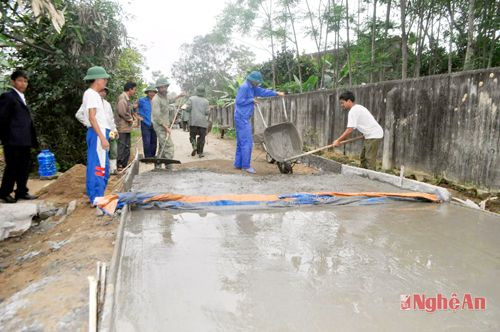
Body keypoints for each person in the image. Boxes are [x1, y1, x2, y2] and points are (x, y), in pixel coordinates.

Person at [234, 71, 285, 174]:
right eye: (258, 82)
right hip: (241, 118)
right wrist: (251, 100)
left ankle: (238, 164)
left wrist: (276, 93)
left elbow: (263, 92)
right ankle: (246, 166)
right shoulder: (244, 87)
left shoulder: (252, 88)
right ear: (253, 81)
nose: (258, 84)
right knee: (247, 142)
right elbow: (238, 101)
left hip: (242, 117)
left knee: (241, 142)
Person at [0, 70, 38, 203]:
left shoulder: (21, 97)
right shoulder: (8, 96)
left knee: (24, 167)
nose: (23, 84)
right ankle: (5, 192)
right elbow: (2, 119)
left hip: (24, 139)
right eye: (20, 81)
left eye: (25, 81)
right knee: (12, 167)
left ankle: (21, 191)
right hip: (12, 140)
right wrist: (5, 139)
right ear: (13, 81)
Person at [81, 66, 113, 205]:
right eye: (104, 79)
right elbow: (92, 118)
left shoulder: (91, 94)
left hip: (98, 132)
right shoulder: (92, 94)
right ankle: (97, 198)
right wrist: (102, 137)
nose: (106, 81)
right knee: (98, 166)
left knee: (101, 165)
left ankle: (97, 195)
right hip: (97, 133)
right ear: (98, 80)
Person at [332, 91, 384, 170]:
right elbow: (366, 121)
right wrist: (365, 133)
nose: (341, 105)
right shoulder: (358, 107)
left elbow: (350, 129)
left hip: (374, 135)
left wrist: (338, 140)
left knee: (369, 159)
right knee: (363, 158)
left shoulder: (353, 111)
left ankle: (371, 178)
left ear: (349, 101)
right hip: (369, 135)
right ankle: (363, 175)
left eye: (342, 103)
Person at [151, 78, 184, 169]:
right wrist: (166, 127)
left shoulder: (164, 96)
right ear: (158, 88)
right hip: (160, 126)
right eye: (161, 88)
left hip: (164, 125)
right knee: (169, 146)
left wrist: (179, 96)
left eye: (165, 87)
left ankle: (158, 165)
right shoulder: (156, 100)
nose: (164, 89)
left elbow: (170, 100)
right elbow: (157, 117)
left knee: (162, 145)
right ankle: (169, 165)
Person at [115, 81, 137, 170]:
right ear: (130, 89)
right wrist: (130, 119)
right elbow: (122, 111)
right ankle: (119, 164)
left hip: (126, 128)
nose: (135, 92)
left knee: (127, 146)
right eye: (134, 90)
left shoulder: (126, 99)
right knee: (122, 146)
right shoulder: (122, 98)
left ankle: (124, 164)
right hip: (122, 127)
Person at [185, 86, 210, 158]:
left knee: (192, 136)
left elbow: (188, 109)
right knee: (202, 137)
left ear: (196, 91)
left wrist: (185, 108)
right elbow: (207, 112)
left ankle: (194, 147)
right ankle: (200, 152)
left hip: (193, 122)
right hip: (202, 122)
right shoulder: (206, 101)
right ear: (204, 92)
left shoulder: (191, 99)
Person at [100, 88, 119, 174]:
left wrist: (114, 129)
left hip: (110, 130)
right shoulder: (92, 103)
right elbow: (79, 115)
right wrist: (90, 124)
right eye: (101, 91)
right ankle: (103, 171)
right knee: (102, 151)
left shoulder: (107, 104)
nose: (103, 93)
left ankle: (113, 169)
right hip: (99, 130)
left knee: (113, 147)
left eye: (104, 91)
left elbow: (111, 119)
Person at [137, 85, 158, 158]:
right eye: (150, 92)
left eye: (153, 92)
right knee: (146, 141)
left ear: (155, 93)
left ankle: (153, 155)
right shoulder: (142, 100)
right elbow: (134, 108)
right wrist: (138, 117)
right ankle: (148, 157)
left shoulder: (157, 101)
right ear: (147, 93)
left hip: (155, 123)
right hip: (145, 123)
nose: (152, 93)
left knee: (154, 141)